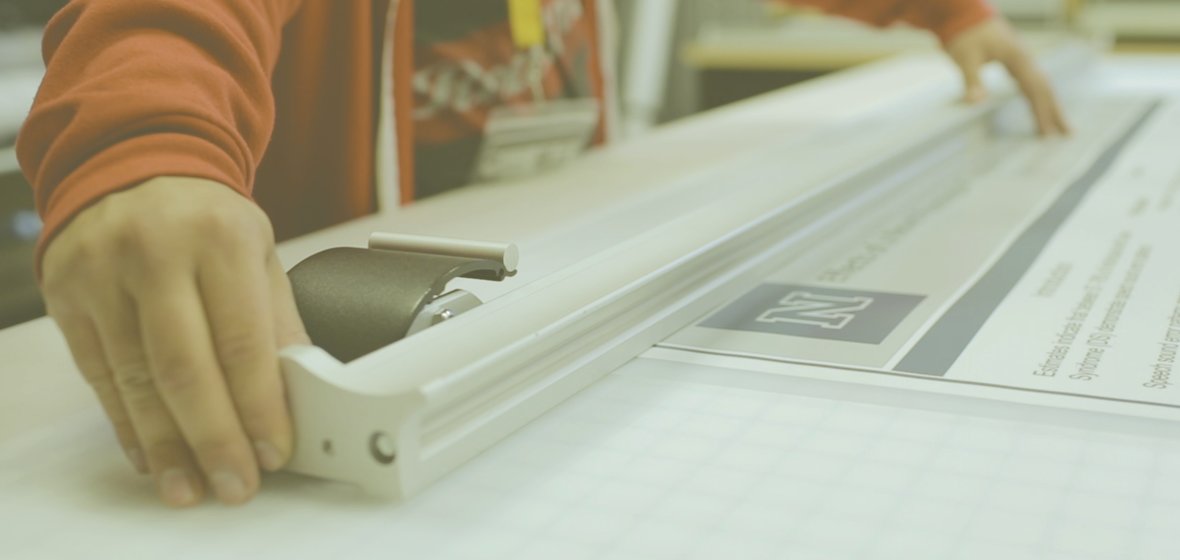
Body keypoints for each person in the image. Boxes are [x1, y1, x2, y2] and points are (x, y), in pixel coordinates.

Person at [17, 0, 1067, 508]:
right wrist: (144, 145)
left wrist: (946, 13)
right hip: (347, 326)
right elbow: (160, 25)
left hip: (556, 282)